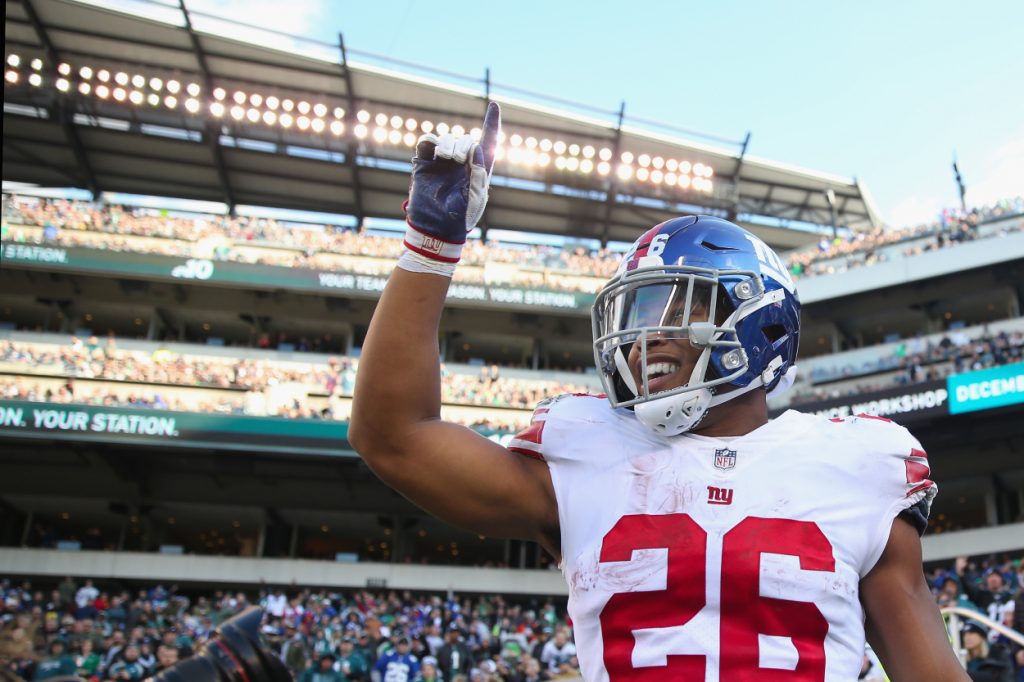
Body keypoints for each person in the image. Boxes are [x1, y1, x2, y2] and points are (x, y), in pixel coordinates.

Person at [349, 103, 969, 680]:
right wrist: (429, 248)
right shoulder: (584, 449)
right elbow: (394, 437)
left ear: (757, 321)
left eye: (677, 307)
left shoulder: (861, 465)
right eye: (637, 313)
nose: (644, 338)